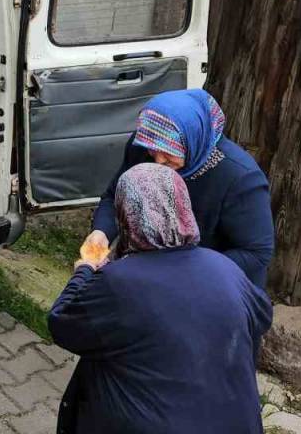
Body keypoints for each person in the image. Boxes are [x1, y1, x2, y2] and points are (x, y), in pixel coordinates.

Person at [50, 163, 273, 434]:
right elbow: (261, 316)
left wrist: (85, 270)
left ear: (126, 216)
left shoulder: (120, 282)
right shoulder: (225, 268)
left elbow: (62, 323)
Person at [85, 88, 274, 288]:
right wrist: (101, 232)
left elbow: (256, 254)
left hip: (220, 288)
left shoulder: (240, 178)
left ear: (192, 141)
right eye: (152, 150)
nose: (158, 161)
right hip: (154, 275)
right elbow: (114, 197)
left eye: (169, 152)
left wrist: (183, 270)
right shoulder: (143, 145)